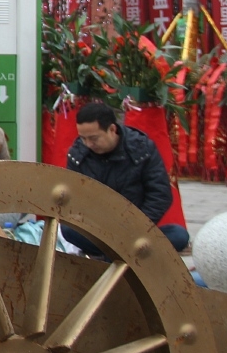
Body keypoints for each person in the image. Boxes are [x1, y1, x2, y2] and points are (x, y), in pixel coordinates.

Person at [64, 101, 189, 256]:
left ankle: (114, 257)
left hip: (137, 229)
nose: (88, 144)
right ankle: (124, 255)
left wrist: (136, 227)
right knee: (68, 230)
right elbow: (75, 198)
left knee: (179, 235)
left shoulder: (141, 148)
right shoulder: (78, 153)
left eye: (94, 138)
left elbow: (160, 194)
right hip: (101, 232)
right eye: (83, 138)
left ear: (112, 129)